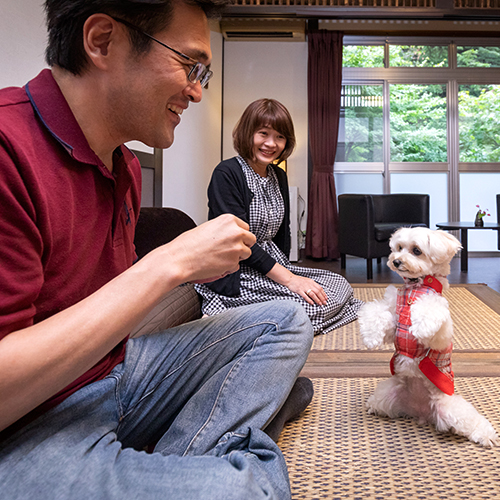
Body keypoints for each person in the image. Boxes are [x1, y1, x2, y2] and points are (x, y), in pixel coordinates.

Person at [0, 2, 315, 499]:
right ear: (102, 40)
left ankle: (165, 461)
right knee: (249, 486)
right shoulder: (7, 148)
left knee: (287, 320)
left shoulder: (124, 165)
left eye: (203, 73)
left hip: (113, 375)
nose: (196, 89)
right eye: (189, 64)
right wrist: (169, 263)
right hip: (30, 423)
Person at [195, 98, 363, 335]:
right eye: (263, 133)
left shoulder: (277, 175)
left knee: (340, 285)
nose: (271, 143)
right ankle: (241, 319)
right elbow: (238, 242)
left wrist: (290, 275)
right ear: (247, 133)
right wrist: (289, 281)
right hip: (237, 269)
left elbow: (284, 233)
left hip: (272, 266)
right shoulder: (227, 172)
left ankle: (276, 318)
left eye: (279, 137)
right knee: (308, 308)